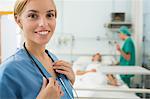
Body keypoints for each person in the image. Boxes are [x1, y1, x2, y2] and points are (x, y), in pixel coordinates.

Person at [0, 0, 75, 99]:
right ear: (18, 20)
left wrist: (69, 84)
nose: (43, 24)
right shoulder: (8, 71)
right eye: (33, 16)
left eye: (49, 15)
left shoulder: (54, 59)